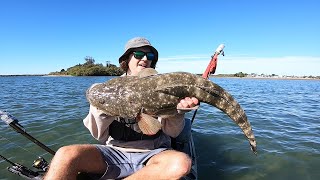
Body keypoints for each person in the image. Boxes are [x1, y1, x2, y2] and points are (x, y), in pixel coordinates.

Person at [44, 37, 199, 180]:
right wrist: (103, 109)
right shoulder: (105, 89)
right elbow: (99, 135)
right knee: (65, 155)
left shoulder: (163, 89)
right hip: (115, 152)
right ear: (127, 58)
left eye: (150, 56)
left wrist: (178, 112)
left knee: (181, 164)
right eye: (138, 54)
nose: (145, 59)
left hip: (154, 153)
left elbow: (172, 133)